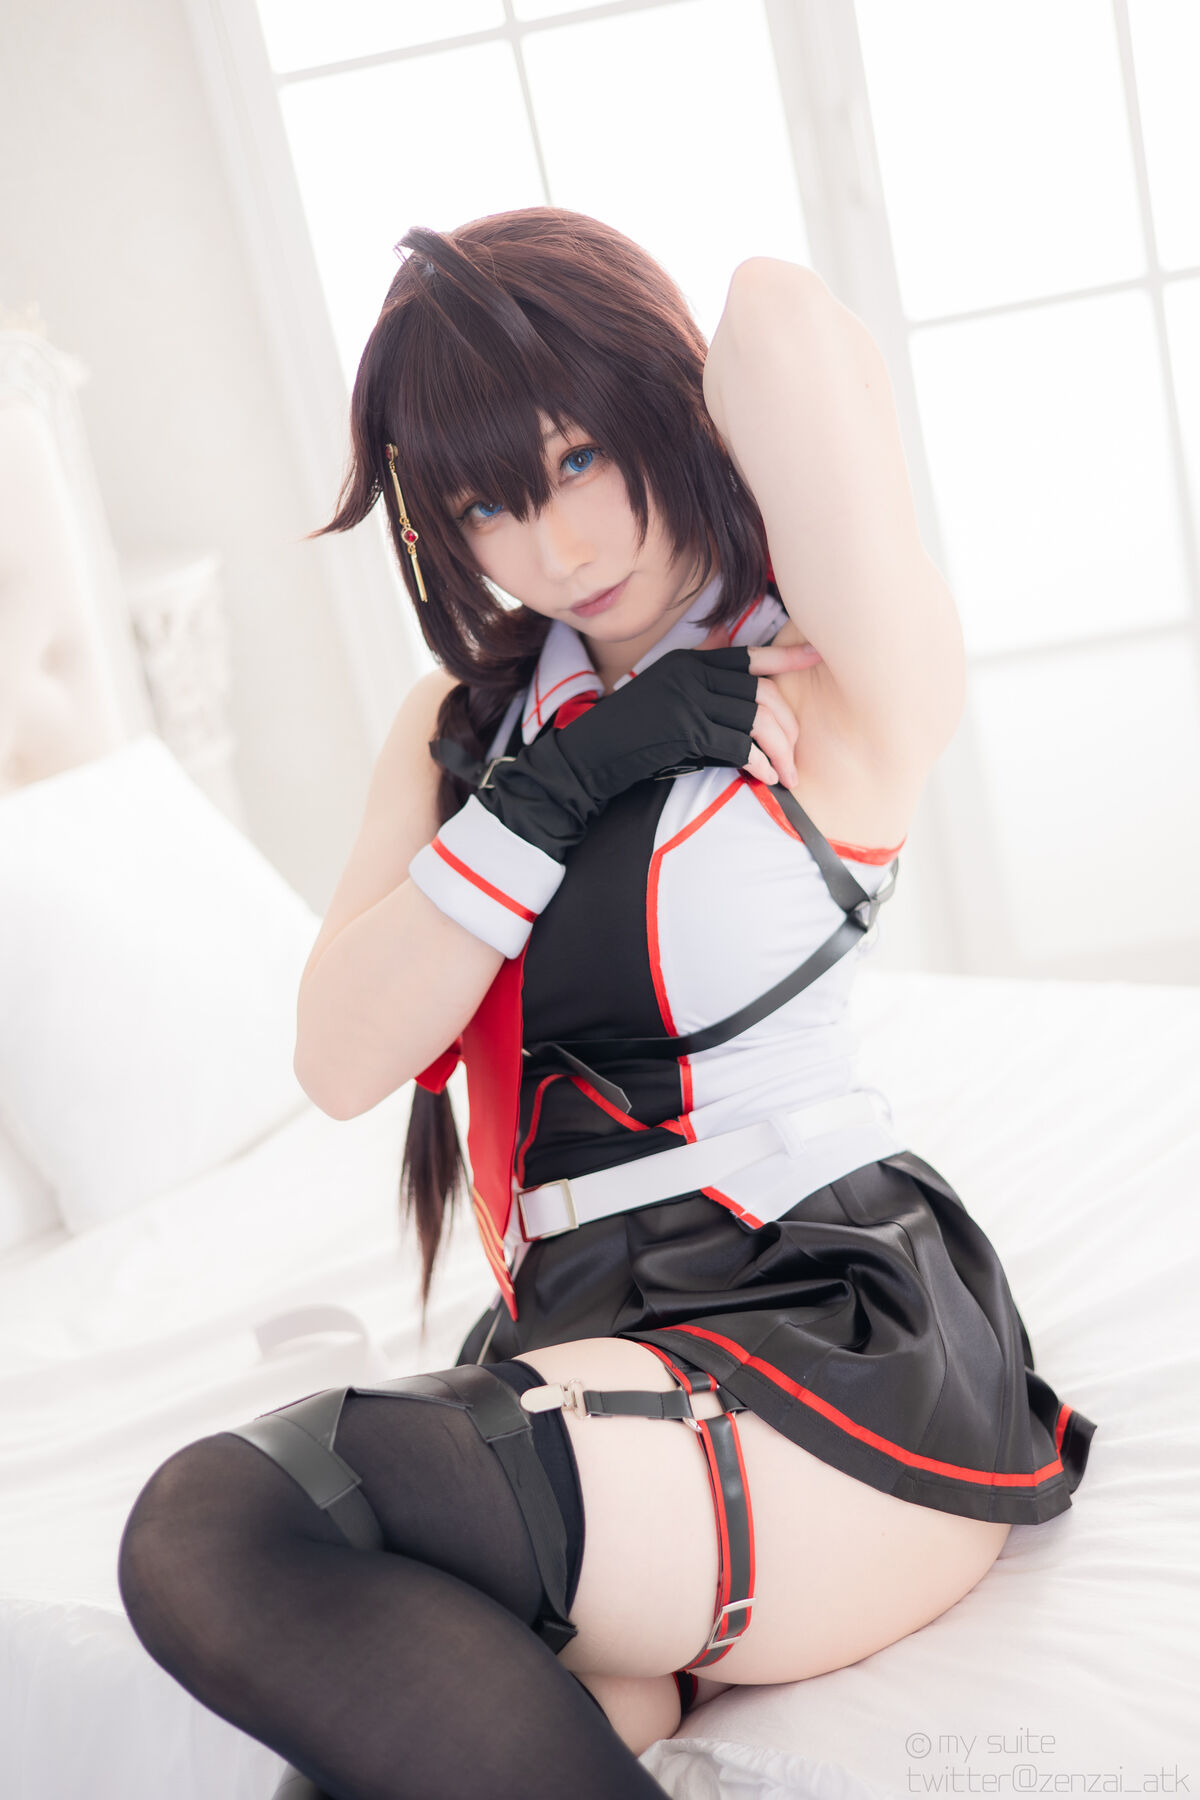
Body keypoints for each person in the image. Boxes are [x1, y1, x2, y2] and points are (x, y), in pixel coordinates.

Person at [116, 207, 1097, 1800]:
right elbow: (342, 1057)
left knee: (221, 1517)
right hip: (583, 1352)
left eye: (578, 456)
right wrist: (575, 773)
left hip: (818, 1338)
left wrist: (635, 391)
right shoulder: (467, 729)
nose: (560, 547)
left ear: (661, 397)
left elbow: (779, 320)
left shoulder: (824, 667)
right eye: (489, 505)